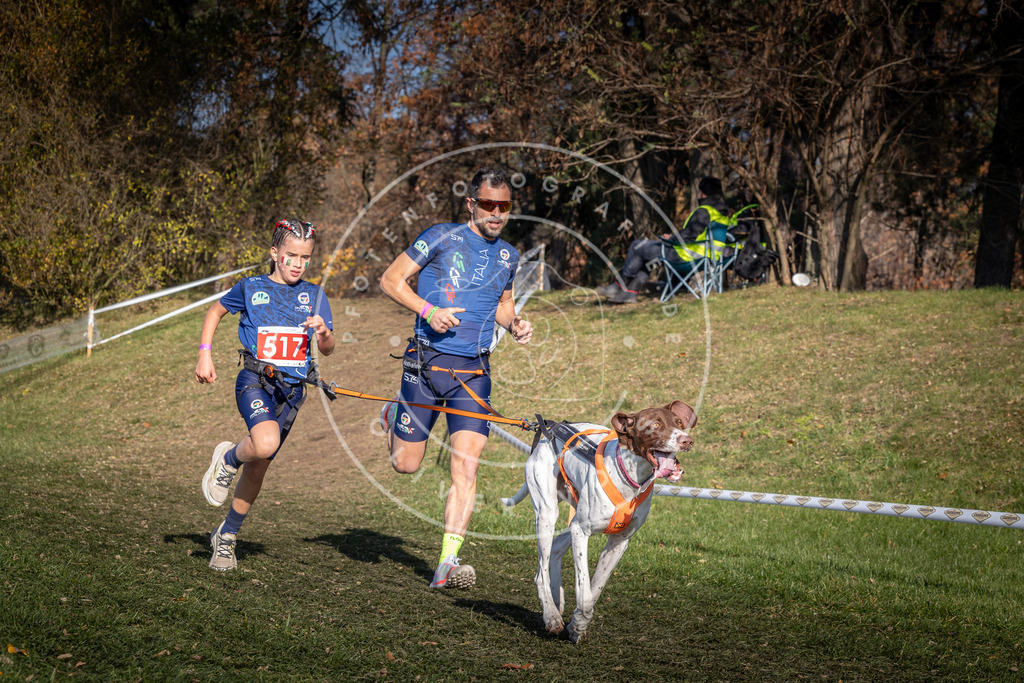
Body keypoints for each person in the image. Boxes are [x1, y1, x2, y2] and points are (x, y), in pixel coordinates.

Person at [378, 166, 533, 590]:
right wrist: (428, 311)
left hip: (473, 373)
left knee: (466, 466)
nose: (496, 213)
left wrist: (515, 322)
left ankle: (447, 562)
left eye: (504, 206)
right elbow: (390, 280)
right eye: (488, 205)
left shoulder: (509, 256)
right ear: (472, 204)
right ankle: (395, 413)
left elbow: (503, 306)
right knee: (405, 465)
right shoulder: (440, 235)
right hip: (425, 365)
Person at [195, 219, 334, 571]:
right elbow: (215, 311)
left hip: (291, 394)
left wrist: (322, 333)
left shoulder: (316, 295)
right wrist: (204, 353)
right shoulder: (250, 287)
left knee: (258, 469)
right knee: (265, 442)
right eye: (291, 255)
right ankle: (227, 460)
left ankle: (225, 537)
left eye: (305, 258)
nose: (297, 264)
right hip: (255, 381)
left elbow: (329, 348)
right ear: (275, 253)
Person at [598, 177, 730, 303]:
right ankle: (631, 293)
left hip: (685, 257)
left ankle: (618, 286)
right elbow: (695, 234)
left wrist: (670, 239)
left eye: (699, 191)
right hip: (704, 259)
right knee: (649, 254)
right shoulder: (720, 213)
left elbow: (688, 236)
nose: (697, 194)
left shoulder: (704, 211)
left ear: (703, 194)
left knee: (637, 245)